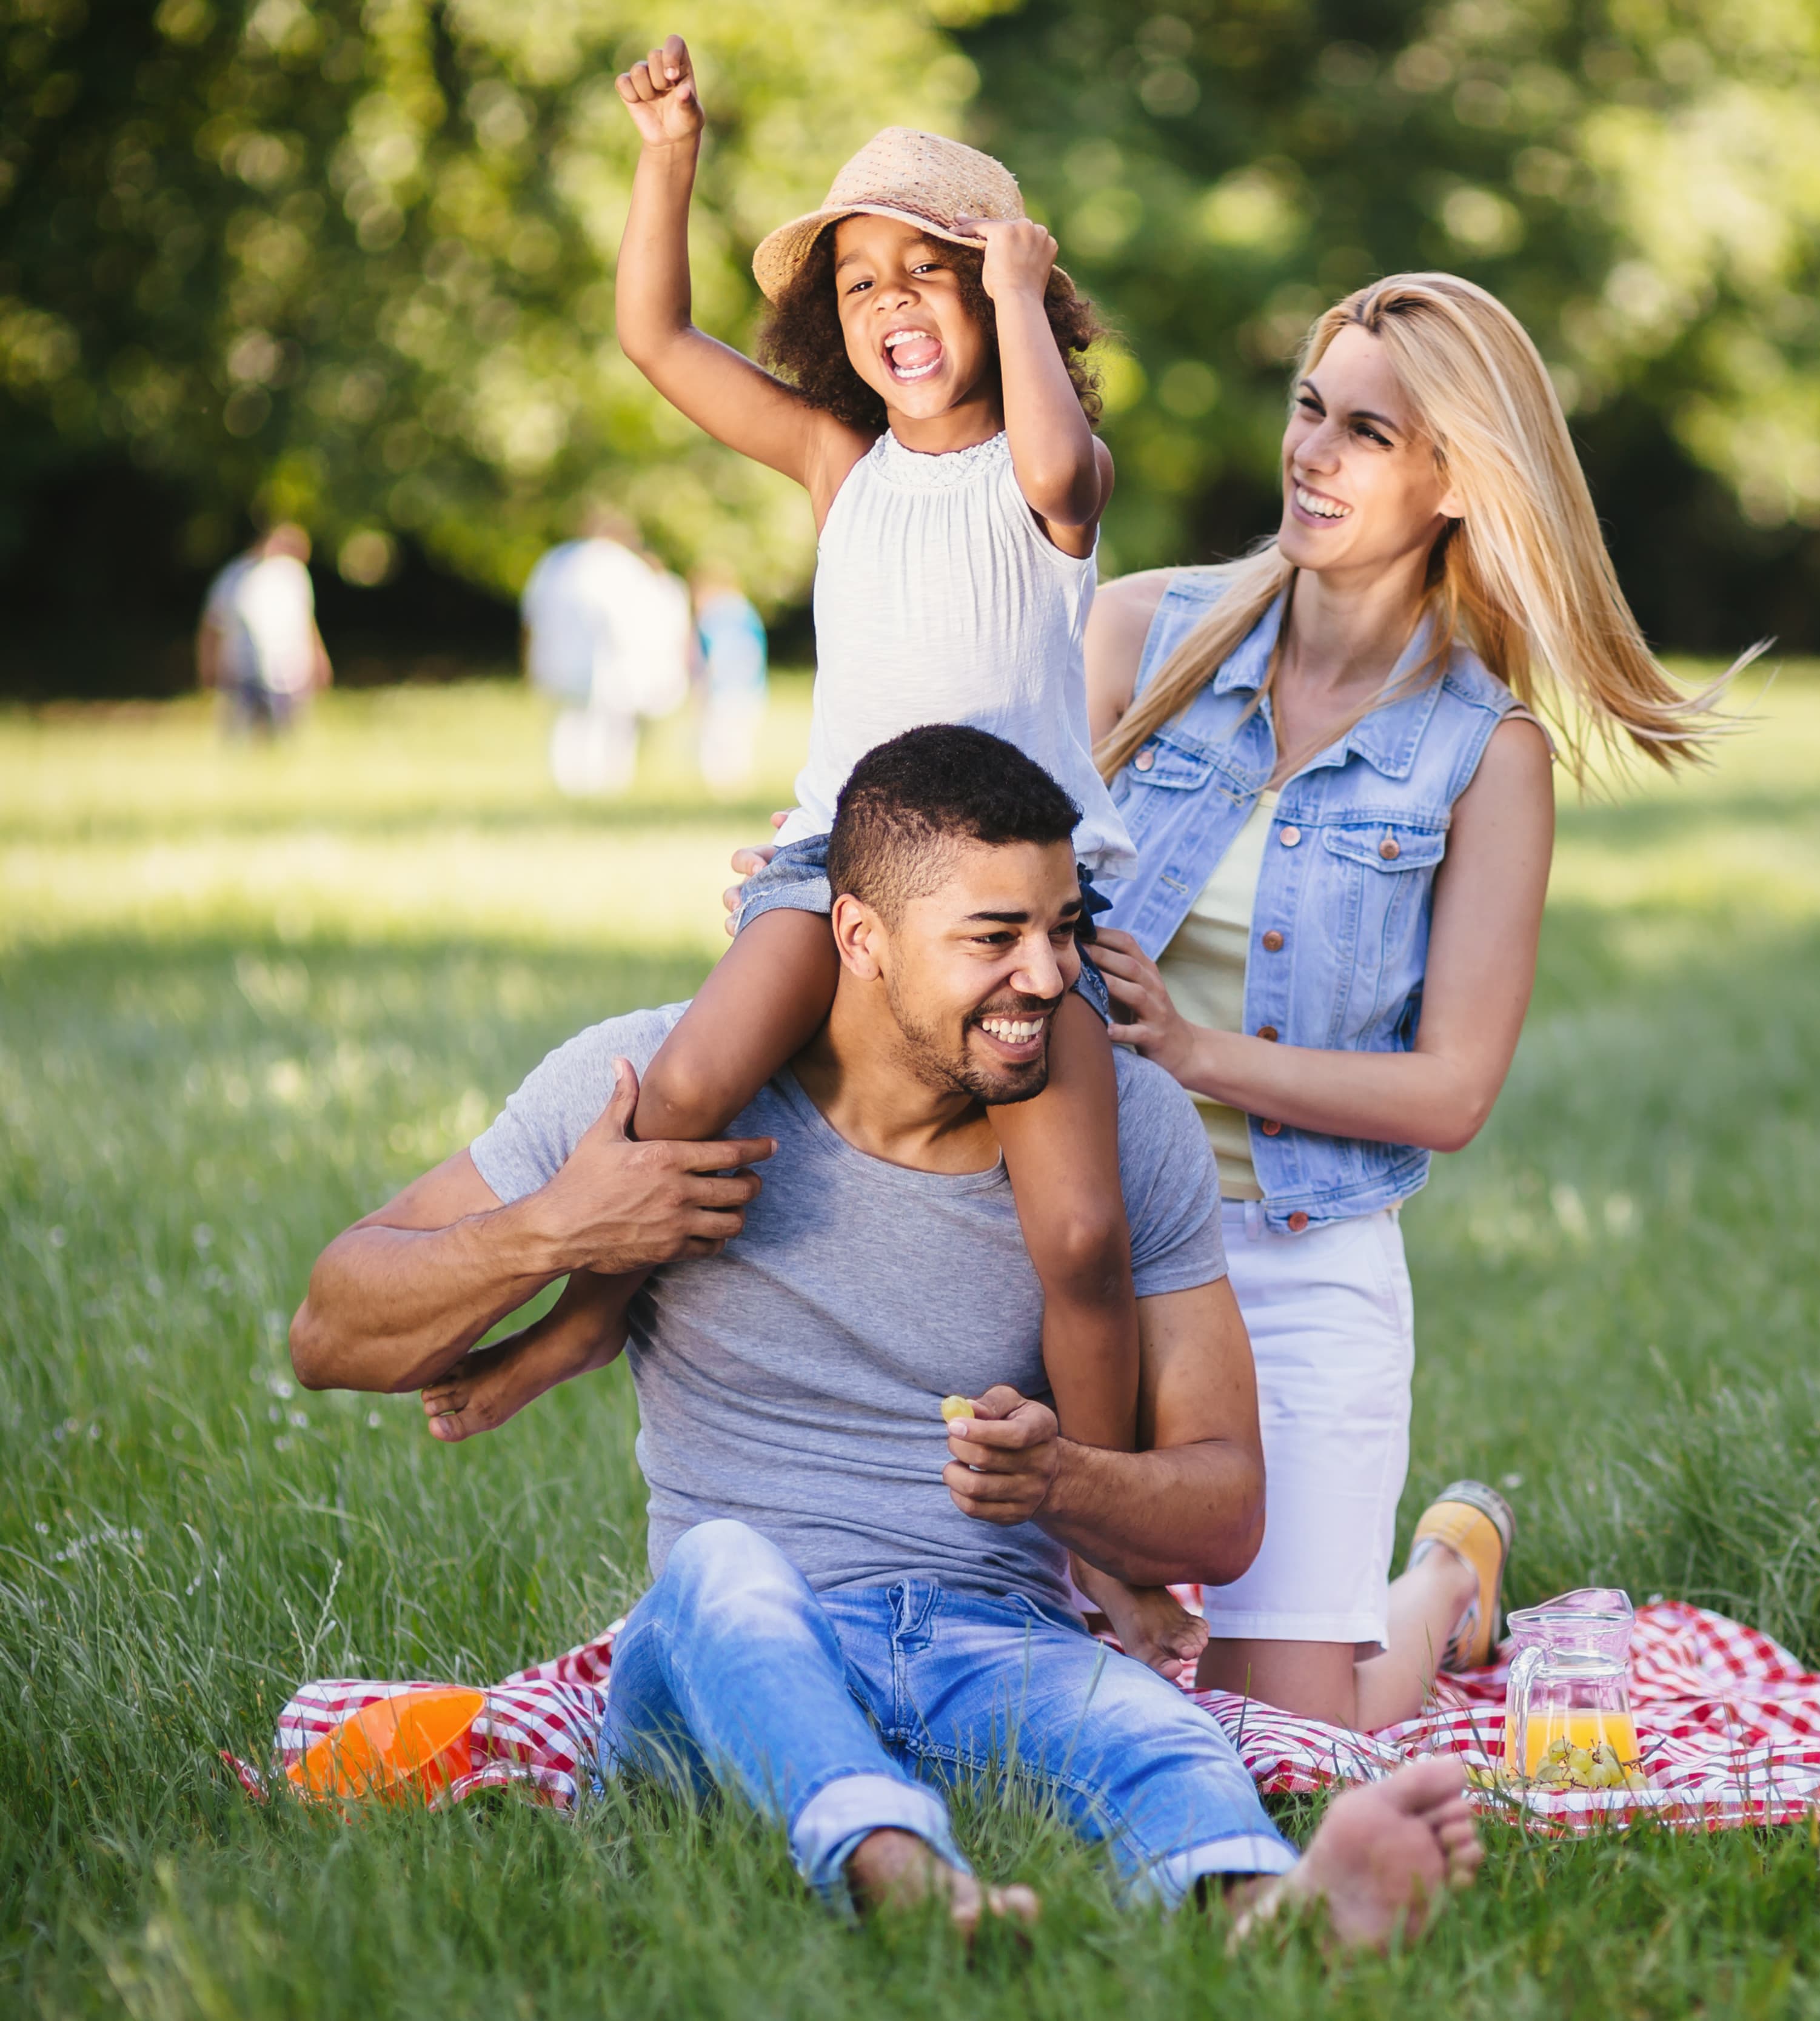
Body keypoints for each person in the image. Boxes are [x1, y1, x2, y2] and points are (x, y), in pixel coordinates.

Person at [286, 727, 1483, 1947]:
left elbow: (1225, 1513)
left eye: (1063, 928)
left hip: (992, 1638)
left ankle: (1267, 1903)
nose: (1046, 975)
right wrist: (553, 1228)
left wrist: (1063, 1476)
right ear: (860, 939)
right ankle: (902, 1879)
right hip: (732, 1650)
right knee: (722, 1572)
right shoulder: (642, 1084)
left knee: (1142, 1720)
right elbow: (330, 1326)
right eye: (994, 935)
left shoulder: (1130, 1125)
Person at [433, 39, 1185, 1663]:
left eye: (939, 274)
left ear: (1008, 298)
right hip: (830, 876)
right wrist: (667, 157)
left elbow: (1060, 469)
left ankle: (1096, 1535)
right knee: (689, 1089)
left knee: (1081, 1236)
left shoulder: (1046, 474)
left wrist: (1032, 278)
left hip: (1020, 911)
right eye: (862, 283)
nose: (898, 308)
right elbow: (652, 334)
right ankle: (581, 1322)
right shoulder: (840, 466)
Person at [1072, 274, 1736, 1728]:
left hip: (1303, 1260)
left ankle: (1440, 1580)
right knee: (1059, 1687)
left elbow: (1451, 1092)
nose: (1312, 454)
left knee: (1281, 1732)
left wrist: (1199, 1052)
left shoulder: (1482, 752)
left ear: (1455, 479)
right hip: (1083, 1250)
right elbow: (966, 855)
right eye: (1311, 408)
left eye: (1368, 432)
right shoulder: (1139, 637)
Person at [523, 511, 678, 797]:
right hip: (610, 662)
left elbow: (532, 615)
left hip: (560, 658)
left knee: (568, 722)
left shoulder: (557, 562)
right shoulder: (621, 566)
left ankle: (571, 783)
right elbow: (638, 624)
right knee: (608, 725)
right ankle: (603, 784)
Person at [196, 524, 330, 737]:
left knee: (286, 734)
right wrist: (209, 665)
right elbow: (213, 625)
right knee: (245, 734)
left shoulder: (293, 575)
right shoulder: (234, 576)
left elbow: (306, 622)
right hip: (243, 670)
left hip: (290, 671)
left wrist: (319, 658)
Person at [692, 562, 771, 789]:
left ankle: (721, 790)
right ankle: (736, 788)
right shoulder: (746, 611)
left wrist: (703, 688)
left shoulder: (716, 614)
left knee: (718, 747)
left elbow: (720, 657)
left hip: (725, 690)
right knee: (739, 746)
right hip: (751, 689)